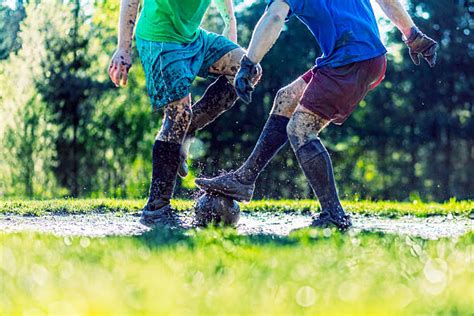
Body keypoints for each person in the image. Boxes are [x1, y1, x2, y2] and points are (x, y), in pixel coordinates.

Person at [196, 0, 438, 230]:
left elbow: (275, 16)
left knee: (300, 129)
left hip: (350, 60)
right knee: (286, 99)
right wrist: (412, 35)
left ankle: (334, 214)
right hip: (361, 58)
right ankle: (245, 178)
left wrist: (248, 64)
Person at [108, 0, 261, 226]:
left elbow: (227, 6)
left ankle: (188, 130)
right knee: (178, 116)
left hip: (194, 39)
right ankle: (156, 208)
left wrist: (230, 30)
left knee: (249, 70)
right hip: (160, 40)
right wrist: (123, 48)